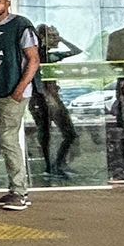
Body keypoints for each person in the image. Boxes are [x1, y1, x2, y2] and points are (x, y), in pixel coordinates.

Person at [0, 0, 41, 210]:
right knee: (6, 142)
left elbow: (33, 60)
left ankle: (19, 192)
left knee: (8, 139)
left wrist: (20, 89)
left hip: (13, 95)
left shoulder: (21, 26)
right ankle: (15, 190)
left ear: (8, 3)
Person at [31, 24, 81, 179]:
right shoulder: (41, 54)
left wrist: (62, 39)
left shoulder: (47, 54)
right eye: (52, 35)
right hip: (43, 97)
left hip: (50, 96)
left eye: (57, 35)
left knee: (68, 133)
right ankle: (52, 166)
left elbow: (76, 51)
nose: (56, 38)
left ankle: (58, 163)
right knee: (46, 133)